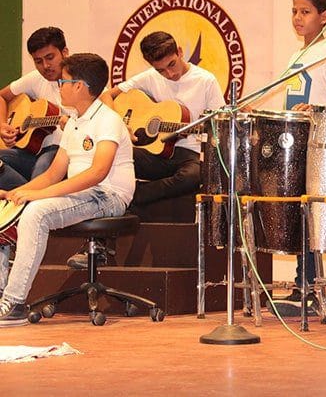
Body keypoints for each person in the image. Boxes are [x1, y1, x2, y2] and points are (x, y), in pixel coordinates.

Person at [65, 32, 225, 270]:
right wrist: (121, 124)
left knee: (194, 175)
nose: (169, 74)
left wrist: (206, 129)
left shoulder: (205, 81)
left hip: (187, 154)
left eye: (172, 64)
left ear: (180, 52)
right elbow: (107, 94)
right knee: (106, 158)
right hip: (153, 154)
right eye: (161, 70)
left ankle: (133, 196)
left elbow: (220, 123)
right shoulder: (150, 77)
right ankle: (97, 245)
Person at [0, 53, 135, 325]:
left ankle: (15, 303)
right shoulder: (73, 121)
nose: (59, 86)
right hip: (83, 194)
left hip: (108, 195)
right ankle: (2, 294)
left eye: (63, 81)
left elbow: (97, 173)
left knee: (36, 212)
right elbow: (53, 173)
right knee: (8, 210)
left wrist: (37, 196)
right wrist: (18, 193)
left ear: (80, 86)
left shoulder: (108, 119)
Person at [278, 0, 326, 317]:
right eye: (295, 11)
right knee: (304, 216)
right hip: (300, 146)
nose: (298, 17)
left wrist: (318, 111)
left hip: (323, 147)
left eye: (305, 12)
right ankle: (304, 286)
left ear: (325, 17)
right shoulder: (296, 55)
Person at [0, 27, 73, 291]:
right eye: (38, 61)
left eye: (50, 58)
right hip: (33, 152)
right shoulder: (35, 79)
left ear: (65, 52)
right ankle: (20, 203)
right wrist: (3, 125)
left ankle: (21, 220)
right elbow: (3, 95)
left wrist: (72, 123)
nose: (45, 66)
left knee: (43, 169)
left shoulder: (82, 80)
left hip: (64, 155)